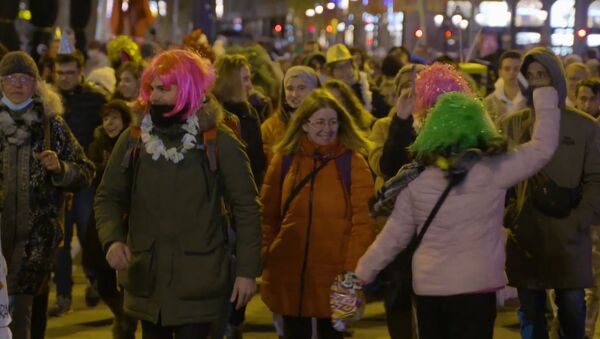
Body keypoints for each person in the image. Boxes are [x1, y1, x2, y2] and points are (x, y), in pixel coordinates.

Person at [356, 84, 561, 339]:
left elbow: (393, 237)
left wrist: (361, 274)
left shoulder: (418, 180)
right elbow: (542, 149)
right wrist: (545, 97)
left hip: (430, 287)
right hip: (476, 285)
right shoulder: (495, 171)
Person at [94, 49, 261, 339]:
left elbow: (247, 207)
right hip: (146, 279)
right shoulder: (134, 138)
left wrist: (247, 272)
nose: (154, 96)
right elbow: (108, 195)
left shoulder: (219, 140)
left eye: (163, 88)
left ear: (186, 90)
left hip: (199, 284)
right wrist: (112, 239)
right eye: (151, 88)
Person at [501, 47, 600, 339]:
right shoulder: (514, 125)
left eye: (542, 74)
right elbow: (499, 178)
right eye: (530, 76)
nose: (536, 81)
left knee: (572, 311)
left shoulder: (584, 127)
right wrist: (511, 216)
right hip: (526, 238)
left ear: (554, 77)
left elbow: (595, 177)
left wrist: (580, 219)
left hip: (569, 237)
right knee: (531, 317)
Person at [260, 89, 375, 339]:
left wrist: (352, 273)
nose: (327, 129)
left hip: (338, 276)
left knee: (334, 334)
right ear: (303, 124)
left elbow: (362, 224)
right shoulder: (284, 161)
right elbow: (267, 215)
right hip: (289, 272)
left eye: (333, 121)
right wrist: (267, 253)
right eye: (320, 122)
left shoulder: (353, 162)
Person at [0, 51, 94, 339]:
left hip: (36, 244)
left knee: (25, 317)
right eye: (11, 78)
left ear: (37, 84)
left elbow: (86, 170)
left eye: (25, 78)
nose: (18, 84)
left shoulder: (51, 125)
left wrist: (61, 168)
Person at [49, 49, 107, 316]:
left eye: (70, 73)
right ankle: (63, 294)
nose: (65, 78)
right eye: (60, 73)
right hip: (56, 178)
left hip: (84, 179)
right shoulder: (47, 101)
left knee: (87, 233)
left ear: (80, 73)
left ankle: (95, 280)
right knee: (59, 240)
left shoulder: (94, 100)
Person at [84, 99, 137, 339]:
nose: (109, 123)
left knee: (128, 274)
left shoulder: (135, 144)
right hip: (103, 216)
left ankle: (128, 320)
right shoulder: (97, 146)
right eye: (105, 118)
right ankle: (122, 314)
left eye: (114, 117)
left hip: (130, 216)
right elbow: (94, 177)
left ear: (125, 120)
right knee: (100, 271)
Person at [213, 54, 266, 184]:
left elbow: (257, 162)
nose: (250, 86)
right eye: (246, 79)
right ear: (231, 82)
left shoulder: (250, 112)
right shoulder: (210, 114)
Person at [261, 66, 321, 164]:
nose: (294, 94)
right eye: (289, 88)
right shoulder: (270, 127)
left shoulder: (328, 122)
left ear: (314, 90)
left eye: (301, 88)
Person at [325, 44, 389, 118]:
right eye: (339, 67)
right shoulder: (326, 95)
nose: (345, 70)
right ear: (331, 73)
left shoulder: (369, 91)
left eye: (347, 65)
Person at [484, 50, 527, 123]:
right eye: (507, 69)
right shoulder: (489, 102)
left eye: (516, 69)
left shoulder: (532, 100)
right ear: (500, 73)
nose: (512, 72)